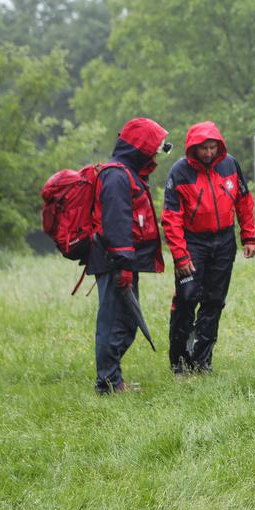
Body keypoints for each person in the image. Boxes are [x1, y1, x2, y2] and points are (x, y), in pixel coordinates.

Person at [161, 121, 255, 375]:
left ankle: (202, 360)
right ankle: (179, 361)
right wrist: (180, 256)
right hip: (192, 243)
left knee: (214, 301)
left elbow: (244, 202)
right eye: (203, 148)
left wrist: (249, 236)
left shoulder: (230, 165)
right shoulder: (179, 172)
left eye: (213, 147)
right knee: (187, 299)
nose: (208, 153)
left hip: (224, 241)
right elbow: (171, 217)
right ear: (193, 148)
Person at [87, 117, 171, 394]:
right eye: (152, 150)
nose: (154, 157)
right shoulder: (116, 176)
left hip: (120, 262)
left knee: (126, 322)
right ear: (139, 148)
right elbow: (117, 223)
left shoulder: (126, 174)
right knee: (114, 323)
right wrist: (123, 265)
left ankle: (113, 380)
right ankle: (108, 385)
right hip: (114, 262)